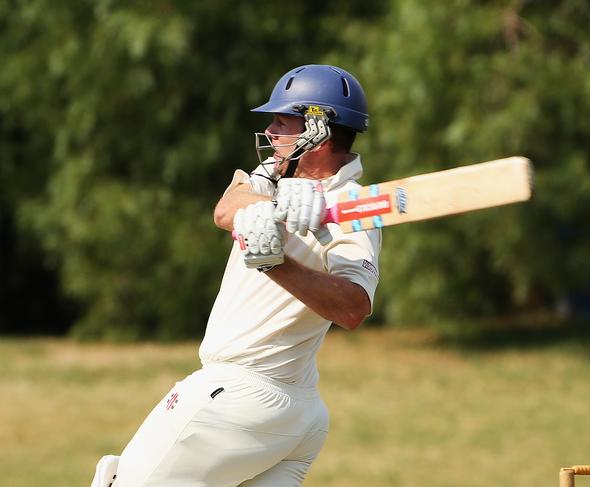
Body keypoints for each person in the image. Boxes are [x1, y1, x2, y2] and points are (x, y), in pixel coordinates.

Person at [98, 64, 381, 487]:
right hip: (296, 417)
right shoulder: (275, 177)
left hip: (239, 394)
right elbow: (226, 209)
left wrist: (276, 264)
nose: (269, 130)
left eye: (281, 122)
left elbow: (353, 308)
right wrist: (281, 203)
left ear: (318, 130)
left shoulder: (352, 207)